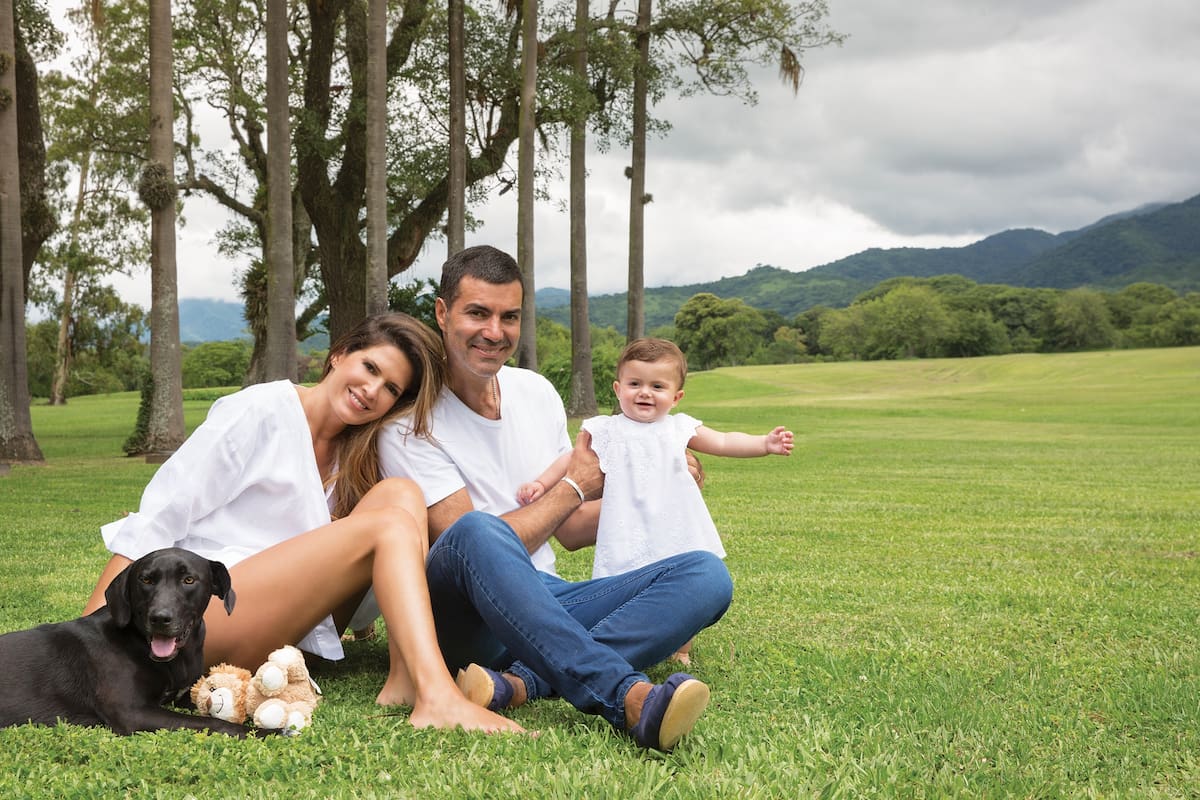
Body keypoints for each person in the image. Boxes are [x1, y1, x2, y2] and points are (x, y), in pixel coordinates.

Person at [81, 313, 521, 734]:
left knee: (402, 493)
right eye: (368, 367)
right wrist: (97, 628)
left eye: (390, 388)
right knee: (386, 524)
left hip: (284, 624)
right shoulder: (262, 410)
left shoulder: (358, 453)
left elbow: (340, 564)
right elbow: (162, 513)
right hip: (210, 612)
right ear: (339, 354)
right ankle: (436, 696)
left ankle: (404, 678)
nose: (371, 390)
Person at [377, 245, 734, 751]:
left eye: (509, 316)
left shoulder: (536, 392)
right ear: (442, 312)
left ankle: (519, 684)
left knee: (705, 574)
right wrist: (571, 489)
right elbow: (462, 552)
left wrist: (657, 490)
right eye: (477, 313)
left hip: (545, 600)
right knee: (478, 530)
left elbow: (568, 529)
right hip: (466, 619)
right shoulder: (409, 427)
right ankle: (627, 696)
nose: (494, 331)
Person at [518, 336, 794, 664]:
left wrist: (764, 443)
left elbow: (722, 441)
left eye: (657, 386)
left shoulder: (678, 428)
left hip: (672, 524)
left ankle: (681, 647)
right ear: (618, 389)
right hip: (626, 525)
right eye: (635, 383)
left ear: (676, 397)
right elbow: (568, 461)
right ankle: (624, 635)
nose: (645, 392)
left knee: (682, 584)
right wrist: (542, 483)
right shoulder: (605, 429)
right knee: (623, 580)